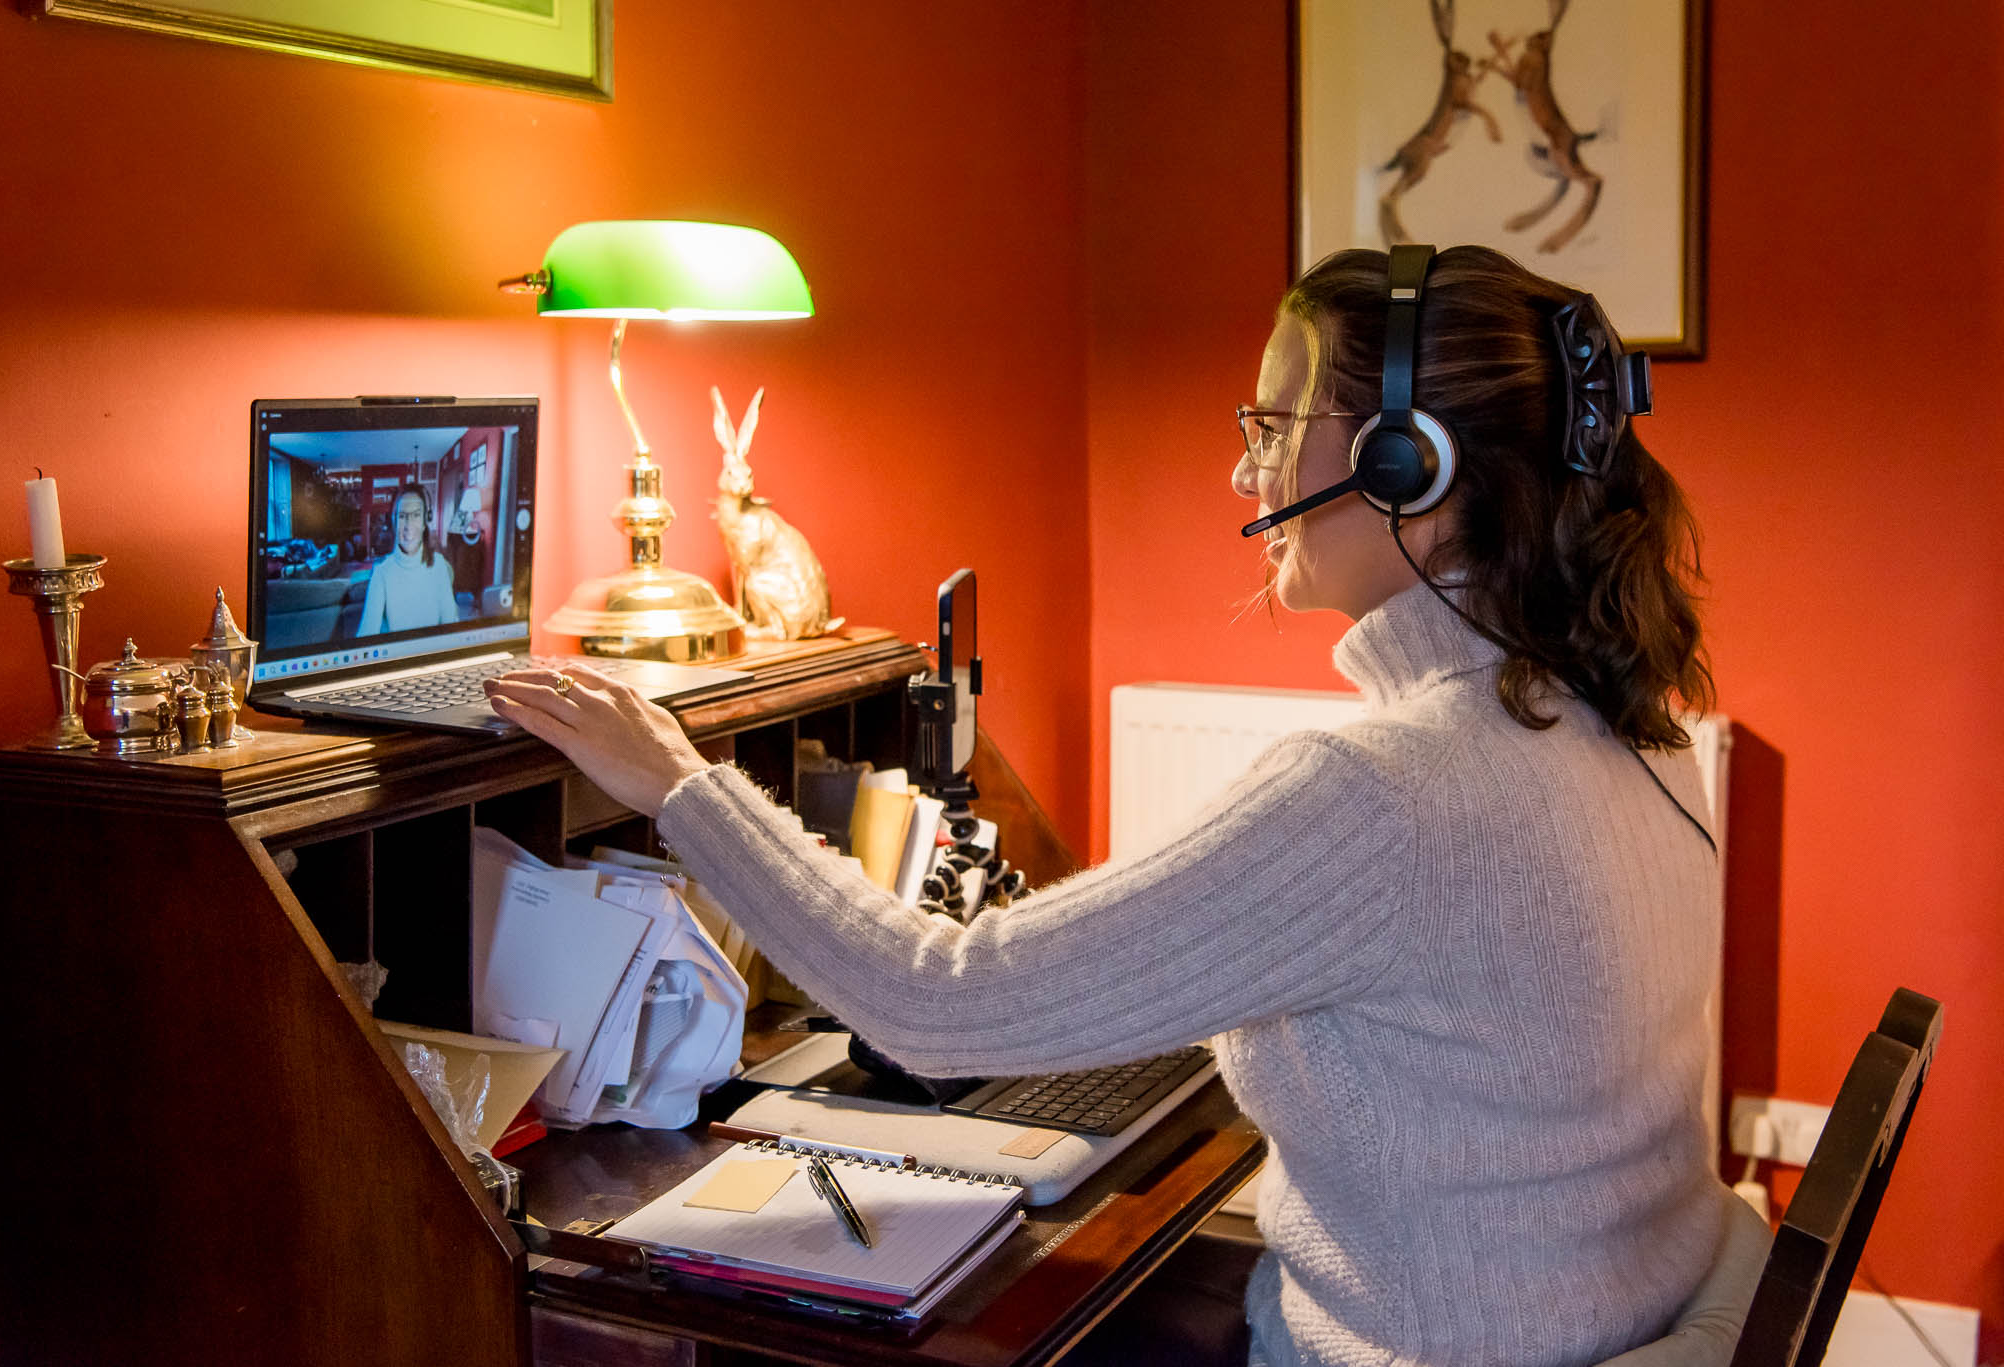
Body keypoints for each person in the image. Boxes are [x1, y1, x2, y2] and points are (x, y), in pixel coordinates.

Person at [487, 245, 1733, 1367]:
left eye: (1270, 421)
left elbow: (935, 1002)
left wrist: (678, 779)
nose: (1241, 466)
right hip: (1599, 1314)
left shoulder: (1382, 794)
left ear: (1403, 465)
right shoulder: (1629, 723)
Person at [356, 483, 458, 637]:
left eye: (416, 515)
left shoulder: (439, 566)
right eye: (402, 516)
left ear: (425, 522)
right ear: (394, 522)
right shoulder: (381, 572)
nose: (408, 525)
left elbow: (451, 628)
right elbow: (366, 634)